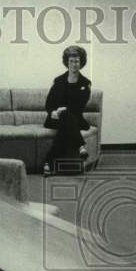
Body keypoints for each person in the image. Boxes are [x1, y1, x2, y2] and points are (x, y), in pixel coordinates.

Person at [42, 45, 92, 175]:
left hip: (74, 118)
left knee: (66, 118)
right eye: (71, 61)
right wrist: (53, 112)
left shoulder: (85, 83)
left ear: (81, 63)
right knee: (65, 117)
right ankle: (80, 146)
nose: (74, 64)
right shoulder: (58, 81)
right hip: (56, 119)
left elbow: (80, 107)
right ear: (67, 62)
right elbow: (49, 103)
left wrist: (64, 110)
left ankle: (48, 162)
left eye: (77, 61)